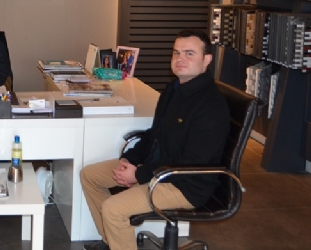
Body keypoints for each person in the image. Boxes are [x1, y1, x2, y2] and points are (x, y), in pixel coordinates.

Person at [80, 29, 230, 250]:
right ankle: (113, 242)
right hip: (158, 169)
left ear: (207, 59)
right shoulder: (174, 89)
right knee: (90, 176)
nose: (180, 59)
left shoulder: (210, 105)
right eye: (176, 53)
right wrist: (129, 159)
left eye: (189, 53)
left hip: (184, 184)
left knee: (113, 208)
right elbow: (154, 134)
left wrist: (138, 174)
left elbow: (190, 161)